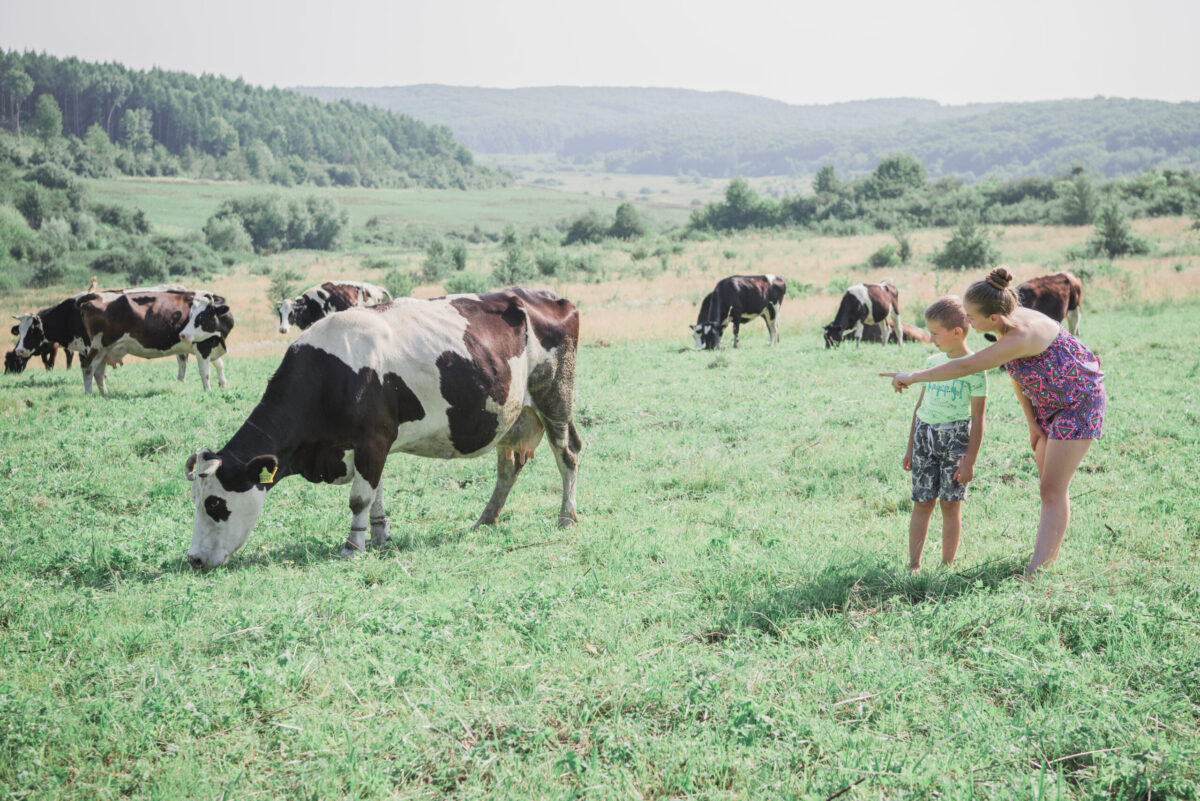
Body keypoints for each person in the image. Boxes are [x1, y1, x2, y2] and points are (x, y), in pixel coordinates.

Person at [882, 267, 1105, 580]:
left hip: (1078, 404)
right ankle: (1044, 559)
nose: (968, 323)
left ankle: (1036, 574)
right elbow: (1017, 375)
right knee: (1048, 487)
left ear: (993, 318)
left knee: (1052, 489)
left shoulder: (1022, 334)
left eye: (971, 317)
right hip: (1048, 405)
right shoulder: (1008, 320)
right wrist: (1032, 423)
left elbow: (968, 364)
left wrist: (913, 377)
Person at [903, 296, 987, 571]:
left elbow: (978, 417)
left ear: (956, 332)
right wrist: (909, 447)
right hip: (924, 438)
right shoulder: (933, 360)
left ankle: (946, 566)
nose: (930, 338)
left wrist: (970, 461)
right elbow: (920, 406)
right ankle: (914, 565)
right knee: (922, 502)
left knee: (950, 505)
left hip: (956, 441)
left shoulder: (976, 368)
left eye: (935, 333)